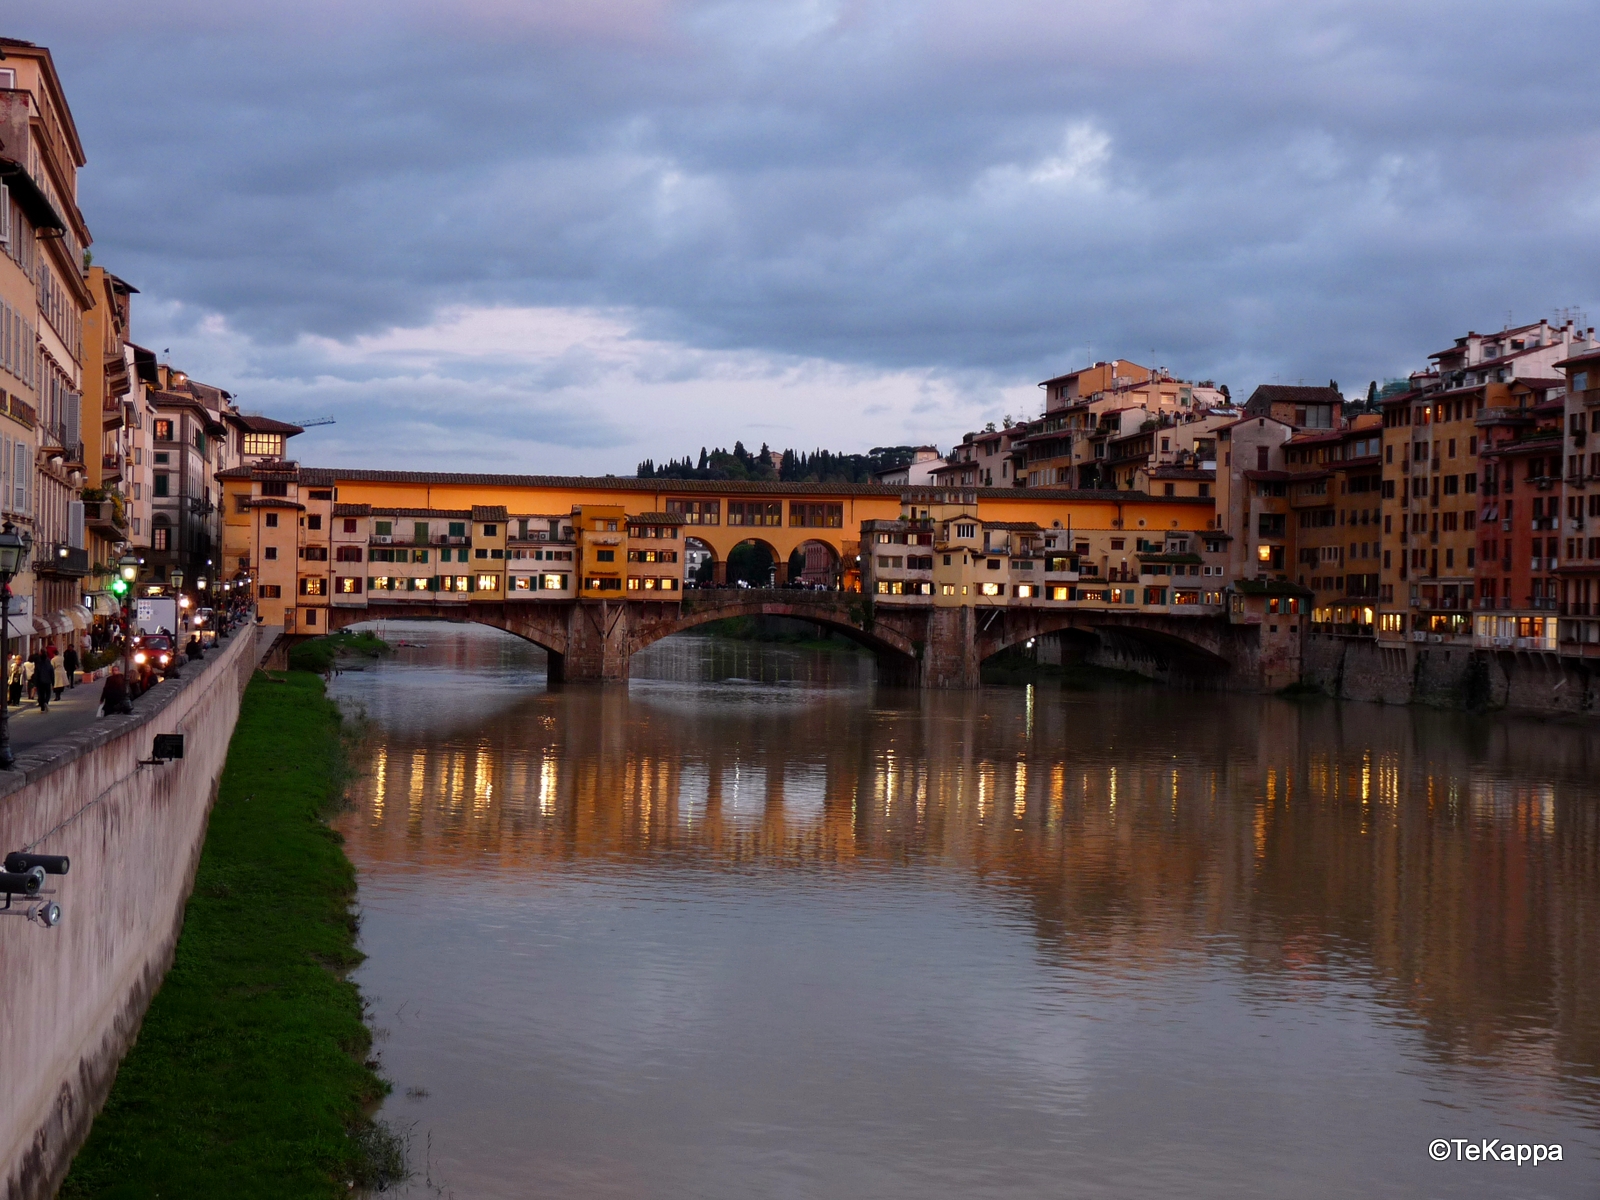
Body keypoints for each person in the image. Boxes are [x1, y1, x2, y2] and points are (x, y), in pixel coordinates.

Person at [30, 649, 53, 713]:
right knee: (48, 693)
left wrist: (35, 684)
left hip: (40, 682)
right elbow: (52, 673)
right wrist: (53, 682)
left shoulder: (38, 665)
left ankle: (42, 708)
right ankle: (46, 702)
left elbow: (36, 674)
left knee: (41, 694)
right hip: (47, 681)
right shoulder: (49, 664)